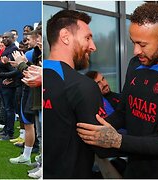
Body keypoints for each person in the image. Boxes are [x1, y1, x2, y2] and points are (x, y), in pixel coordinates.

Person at [76, 3, 158, 178]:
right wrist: (95, 130)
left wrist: (119, 141)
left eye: (142, 44)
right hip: (134, 169)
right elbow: (123, 112)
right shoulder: (136, 64)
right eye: (133, 42)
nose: (136, 51)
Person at [43, 10, 110, 178]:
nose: (93, 46)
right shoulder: (83, 86)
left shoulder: (38, 75)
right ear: (65, 36)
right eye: (87, 38)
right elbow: (101, 146)